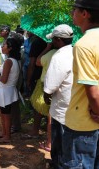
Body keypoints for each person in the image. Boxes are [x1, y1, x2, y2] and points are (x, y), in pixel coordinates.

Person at [63, 0, 99, 168]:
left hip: (83, 123)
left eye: (75, 10)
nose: (72, 13)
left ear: (85, 14)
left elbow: (92, 91)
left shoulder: (84, 45)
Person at [43, 24, 74, 168]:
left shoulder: (59, 56)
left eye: (54, 39)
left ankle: (56, 165)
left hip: (61, 108)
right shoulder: (76, 52)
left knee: (59, 143)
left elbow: (50, 86)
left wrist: (46, 95)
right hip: (74, 106)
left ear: (58, 40)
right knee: (69, 145)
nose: (52, 42)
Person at [0, 38, 21, 143]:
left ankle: (7, 136)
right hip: (7, 91)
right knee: (3, 112)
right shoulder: (12, 60)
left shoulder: (9, 61)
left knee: (6, 115)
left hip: (5, 91)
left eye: (4, 45)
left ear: (10, 48)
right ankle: (5, 133)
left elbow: (4, 80)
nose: (2, 46)